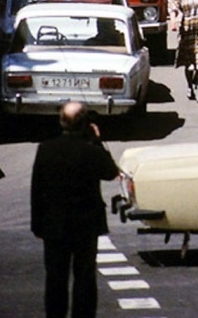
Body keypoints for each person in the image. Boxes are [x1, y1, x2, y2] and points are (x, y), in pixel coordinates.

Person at [31, 101, 119, 318]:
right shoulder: (91, 151)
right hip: (85, 225)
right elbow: (110, 172)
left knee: (55, 279)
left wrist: (37, 224)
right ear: (85, 124)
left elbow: (37, 189)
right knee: (85, 278)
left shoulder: (46, 149)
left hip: (54, 224)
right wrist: (97, 140)